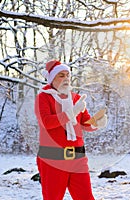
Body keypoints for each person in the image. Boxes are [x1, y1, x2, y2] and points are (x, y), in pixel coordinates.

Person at [34, 60, 107, 200]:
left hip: (78, 158)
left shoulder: (76, 98)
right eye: (61, 75)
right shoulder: (43, 97)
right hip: (52, 159)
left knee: (86, 197)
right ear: (52, 79)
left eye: (67, 75)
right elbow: (46, 122)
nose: (66, 78)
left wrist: (97, 123)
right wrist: (71, 112)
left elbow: (85, 123)